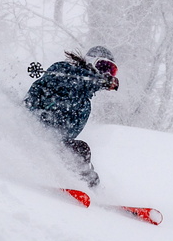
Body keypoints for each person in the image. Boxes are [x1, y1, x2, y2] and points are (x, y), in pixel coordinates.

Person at [24, 45, 119, 187]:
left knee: (80, 153)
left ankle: (92, 194)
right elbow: (66, 79)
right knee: (81, 150)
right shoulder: (64, 71)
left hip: (51, 144)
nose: (106, 73)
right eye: (102, 66)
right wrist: (97, 79)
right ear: (90, 62)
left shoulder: (85, 103)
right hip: (31, 129)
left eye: (111, 71)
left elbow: (66, 138)